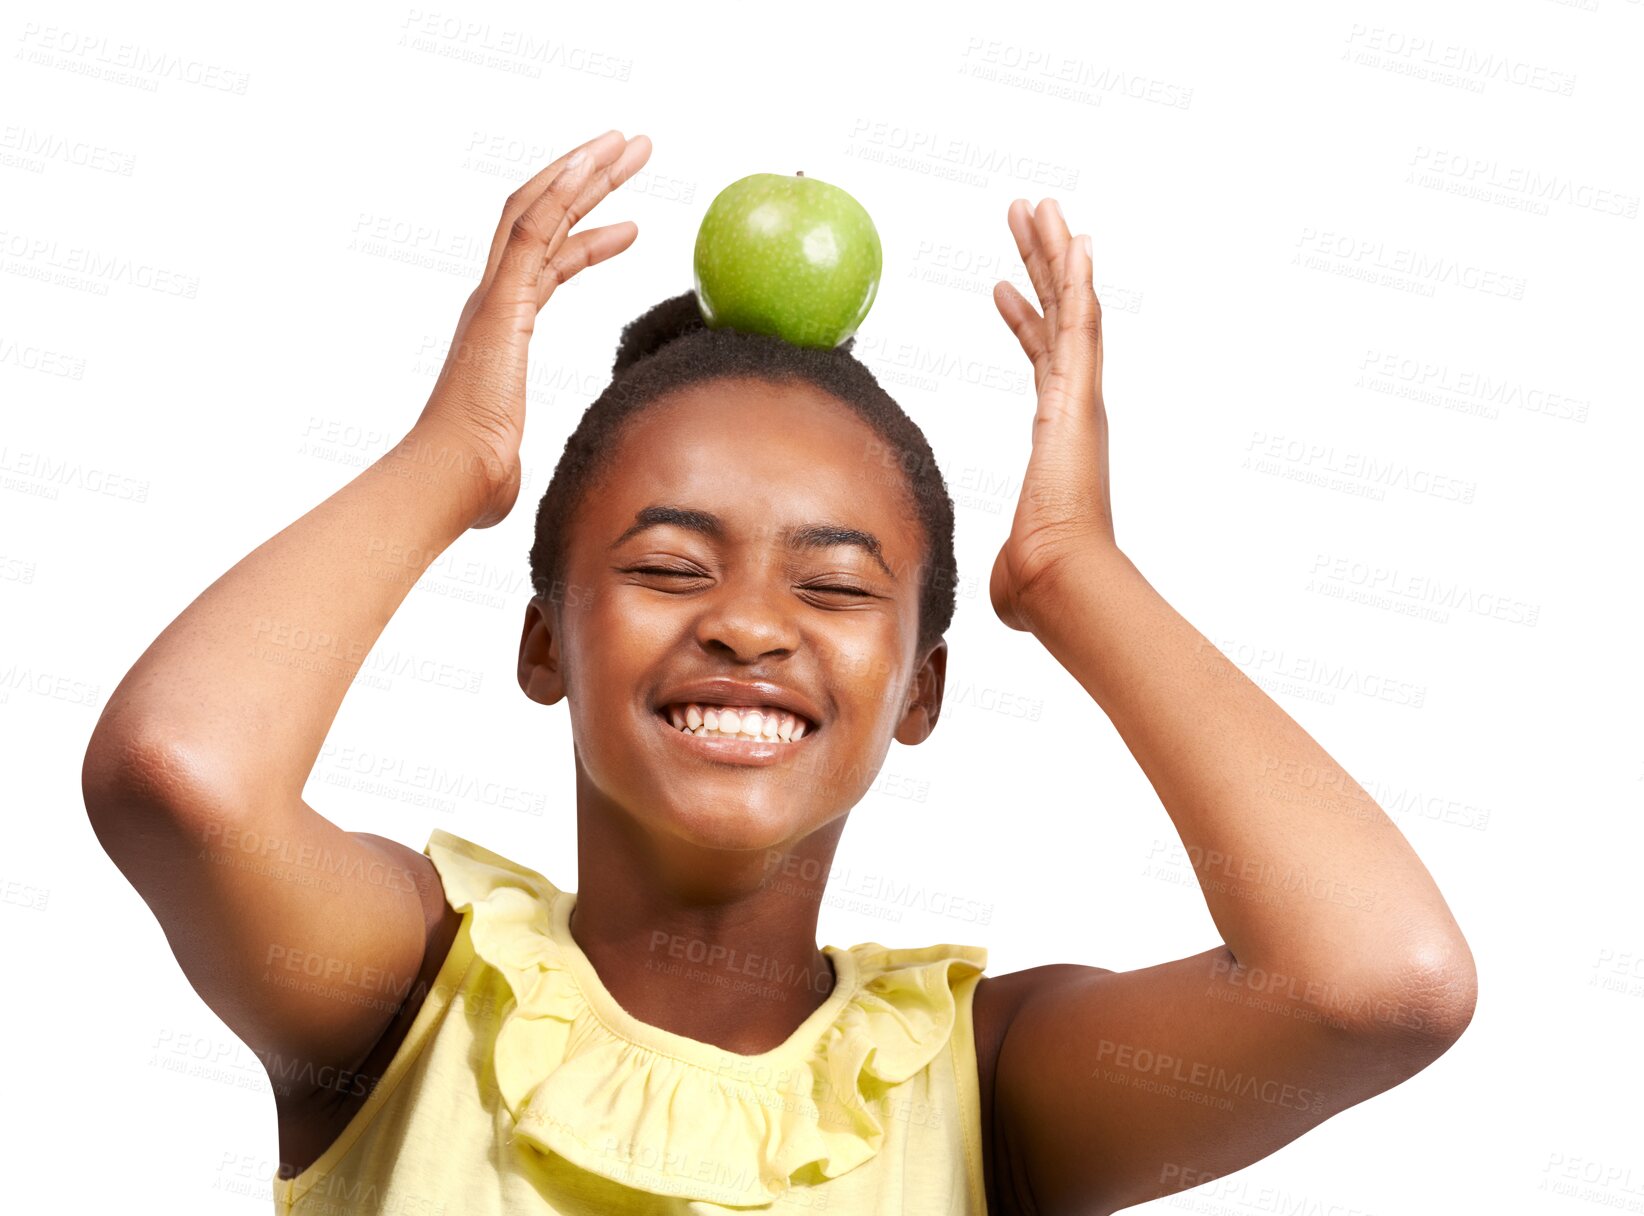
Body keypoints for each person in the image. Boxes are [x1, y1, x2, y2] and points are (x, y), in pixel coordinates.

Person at [81, 127, 1477, 1215]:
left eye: (834, 584)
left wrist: (1073, 571)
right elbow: (180, 775)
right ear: (544, 643)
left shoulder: (987, 1093)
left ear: (919, 690)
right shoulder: (405, 992)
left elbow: (1378, 984)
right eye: (671, 567)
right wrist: (456, 457)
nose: (749, 625)